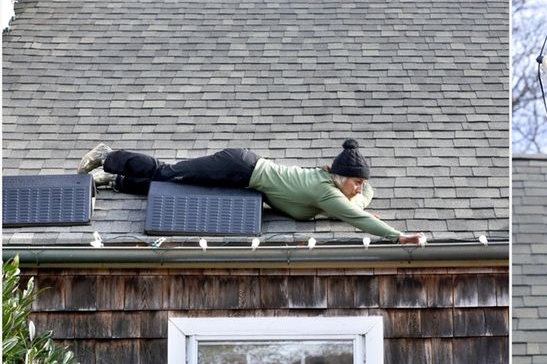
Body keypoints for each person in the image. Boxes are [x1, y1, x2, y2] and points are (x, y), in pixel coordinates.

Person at [77, 139, 425, 245]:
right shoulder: (328, 194)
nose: (359, 188)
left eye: (360, 184)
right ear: (339, 177)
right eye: (355, 182)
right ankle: (108, 156)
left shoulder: (337, 191)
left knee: (175, 191)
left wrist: (363, 200)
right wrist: (398, 236)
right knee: (169, 173)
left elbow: (364, 199)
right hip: (239, 166)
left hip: (243, 180)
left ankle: (115, 183)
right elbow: (358, 216)